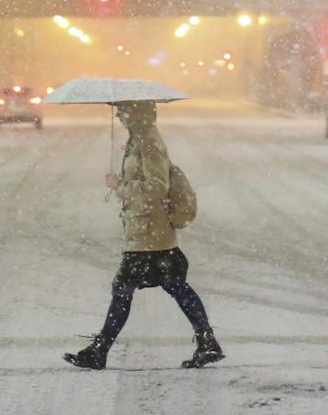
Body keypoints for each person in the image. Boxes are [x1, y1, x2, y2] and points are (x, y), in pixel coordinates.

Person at [64, 100, 224, 370]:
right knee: (175, 286)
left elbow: (157, 188)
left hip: (149, 235)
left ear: (136, 113)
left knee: (123, 290)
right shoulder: (140, 140)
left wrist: (121, 185)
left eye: (123, 109)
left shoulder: (148, 142)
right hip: (149, 233)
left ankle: (99, 351)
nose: (118, 114)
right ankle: (208, 343)